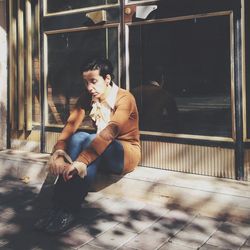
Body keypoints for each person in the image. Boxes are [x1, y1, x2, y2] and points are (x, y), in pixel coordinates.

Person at [35, 58, 141, 234]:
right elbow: (70, 126)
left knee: (89, 140)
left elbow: (109, 133)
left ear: (107, 79)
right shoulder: (88, 97)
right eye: (86, 82)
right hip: (99, 148)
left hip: (125, 153)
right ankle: (56, 208)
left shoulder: (125, 98)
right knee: (78, 137)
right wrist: (59, 152)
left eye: (93, 81)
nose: (89, 87)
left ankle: (69, 210)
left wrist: (81, 161)